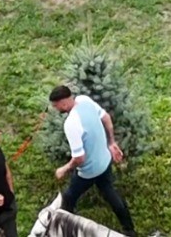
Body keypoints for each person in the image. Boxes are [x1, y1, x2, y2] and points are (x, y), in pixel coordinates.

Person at [50, 85, 137, 236]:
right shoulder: (85, 100)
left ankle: (64, 228)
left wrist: (63, 169)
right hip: (105, 160)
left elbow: (79, 158)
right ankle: (129, 230)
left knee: (69, 198)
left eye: (56, 106)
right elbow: (106, 118)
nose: (56, 109)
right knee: (110, 193)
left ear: (63, 103)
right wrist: (111, 143)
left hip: (89, 171)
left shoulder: (71, 123)